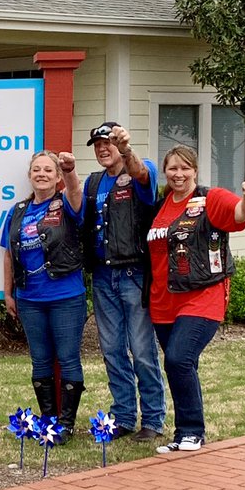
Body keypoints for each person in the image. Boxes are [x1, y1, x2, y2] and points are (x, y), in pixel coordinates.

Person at [147, 145, 245, 453]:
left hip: (203, 294)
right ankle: (184, 433)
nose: (178, 174)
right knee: (179, 365)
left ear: (195, 170)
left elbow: (241, 214)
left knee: (178, 358)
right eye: (172, 168)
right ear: (165, 171)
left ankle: (193, 431)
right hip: (163, 301)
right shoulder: (160, 205)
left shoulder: (211, 199)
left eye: (185, 168)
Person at [82, 122, 166, 442]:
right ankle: (124, 416)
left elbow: (143, 176)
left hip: (134, 275)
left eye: (108, 143)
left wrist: (128, 149)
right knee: (113, 351)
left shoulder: (140, 172)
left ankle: (154, 419)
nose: (103, 148)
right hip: (103, 277)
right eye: (97, 144)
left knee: (142, 351)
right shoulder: (93, 183)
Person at [1, 149, 86, 441]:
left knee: (68, 358)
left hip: (66, 295)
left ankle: (66, 424)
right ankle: (47, 422)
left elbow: (77, 194)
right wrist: (8, 292)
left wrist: (72, 172)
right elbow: (8, 254)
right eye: (37, 169)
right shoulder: (18, 211)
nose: (42, 174)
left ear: (57, 177)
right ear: (29, 175)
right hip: (29, 298)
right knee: (40, 361)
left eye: (49, 170)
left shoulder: (67, 204)